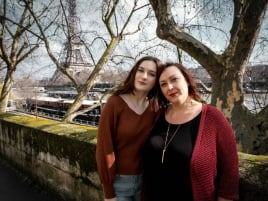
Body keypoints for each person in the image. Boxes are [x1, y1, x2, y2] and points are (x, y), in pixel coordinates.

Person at [142, 62, 239, 201]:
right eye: (163, 84)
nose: (169, 87)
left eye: (174, 79)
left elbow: (230, 171)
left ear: (187, 80)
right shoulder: (157, 116)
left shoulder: (213, 118)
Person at [96, 56, 162, 201]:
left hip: (146, 182)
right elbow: (104, 148)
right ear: (134, 73)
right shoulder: (115, 103)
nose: (144, 77)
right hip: (119, 183)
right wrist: (109, 192)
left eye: (151, 74)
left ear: (157, 81)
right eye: (141, 70)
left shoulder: (155, 108)